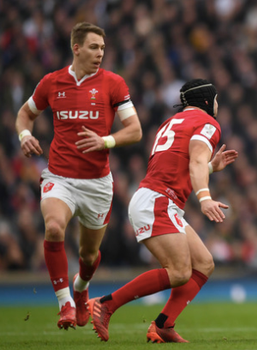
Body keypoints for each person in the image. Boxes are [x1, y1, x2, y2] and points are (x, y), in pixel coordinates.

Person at [86, 79, 238, 342]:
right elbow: (197, 159)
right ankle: (106, 304)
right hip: (158, 201)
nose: (217, 105)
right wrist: (205, 197)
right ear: (206, 100)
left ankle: (163, 324)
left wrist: (210, 168)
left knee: (204, 263)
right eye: (215, 99)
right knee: (179, 271)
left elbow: (182, 165)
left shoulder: (171, 122)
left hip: (157, 200)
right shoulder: (208, 123)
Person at [15, 22, 142, 330]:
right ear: (76, 47)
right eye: (94, 47)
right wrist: (24, 136)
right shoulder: (52, 82)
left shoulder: (113, 84)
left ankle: (81, 288)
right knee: (55, 227)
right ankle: (65, 304)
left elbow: (135, 130)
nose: (100, 53)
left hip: (98, 183)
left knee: (88, 254)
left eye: (102, 48)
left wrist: (106, 141)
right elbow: (24, 114)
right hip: (60, 177)